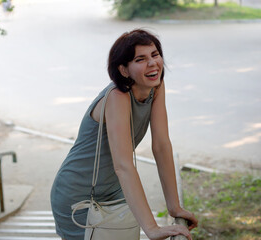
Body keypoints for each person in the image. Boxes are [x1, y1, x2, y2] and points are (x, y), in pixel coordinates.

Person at [50, 29, 198, 240]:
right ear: (124, 70)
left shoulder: (155, 86)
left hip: (113, 190)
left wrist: (174, 207)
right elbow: (123, 165)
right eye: (141, 59)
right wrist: (152, 229)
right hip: (78, 194)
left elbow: (161, 145)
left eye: (155, 55)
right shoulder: (117, 97)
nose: (153, 64)